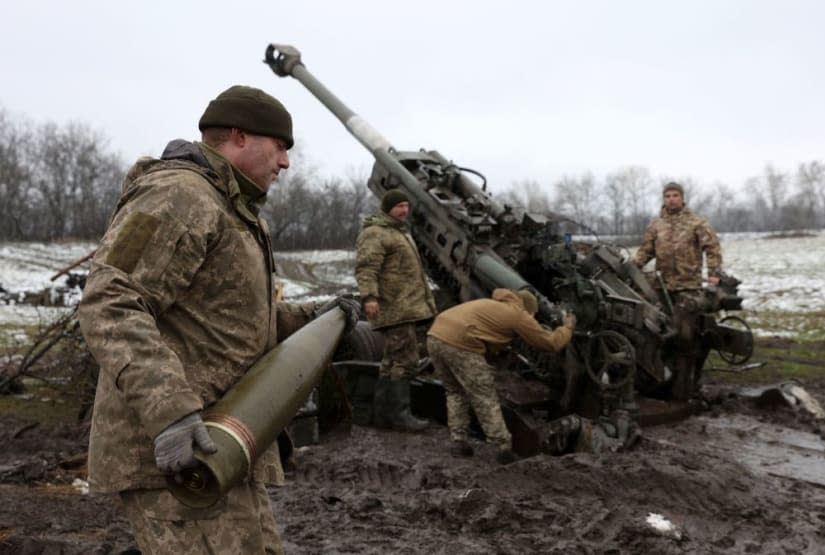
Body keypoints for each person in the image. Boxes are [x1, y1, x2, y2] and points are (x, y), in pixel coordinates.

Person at [78, 85, 357, 554]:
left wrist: (321, 320)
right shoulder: (179, 195)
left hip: (226, 444)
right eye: (281, 146)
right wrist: (171, 412)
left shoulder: (231, 209)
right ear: (239, 136)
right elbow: (111, 301)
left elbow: (233, 324)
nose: (286, 162)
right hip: (181, 455)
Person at [426, 288, 576, 464]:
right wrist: (568, 327)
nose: (532, 320)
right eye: (533, 316)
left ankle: (459, 441)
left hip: (436, 335)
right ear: (529, 310)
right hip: (460, 343)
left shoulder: (494, 305)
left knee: (455, 392)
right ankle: (502, 448)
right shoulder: (518, 315)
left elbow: (485, 336)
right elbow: (551, 343)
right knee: (484, 397)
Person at [355, 189, 437, 431]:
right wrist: (369, 297)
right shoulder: (376, 233)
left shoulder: (398, 232)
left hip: (405, 305)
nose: (404, 211)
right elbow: (366, 268)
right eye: (400, 206)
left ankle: (383, 416)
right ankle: (401, 416)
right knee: (406, 359)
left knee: (391, 361)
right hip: (395, 307)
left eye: (407, 206)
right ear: (388, 208)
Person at [632, 181, 723, 399]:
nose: (671, 199)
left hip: (688, 288)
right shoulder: (656, 226)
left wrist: (714, 275)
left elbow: (712, 248)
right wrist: (630, 269)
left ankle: (687, 385)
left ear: (682, 198)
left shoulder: (696, 223)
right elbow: (645, 252)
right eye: (667, 196)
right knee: (660, 334)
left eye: (675, 195)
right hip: (662, 290)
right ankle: (662, 381)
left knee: (686, 338)